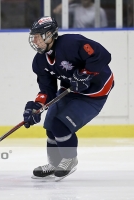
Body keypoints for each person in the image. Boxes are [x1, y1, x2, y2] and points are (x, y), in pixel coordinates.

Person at [23, 16, 114, 181]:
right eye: (33, 36)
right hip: (70, 89)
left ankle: (70, 159)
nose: (34, 41)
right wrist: (37, 105)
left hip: (94, 92)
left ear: (49, 35)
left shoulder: (72, 43)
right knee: (50, 126)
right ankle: (55, 163)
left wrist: (86, 74)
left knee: (61, 125)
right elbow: (47, 89)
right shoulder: (39, 61)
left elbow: (103, 55)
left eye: (38, 36)